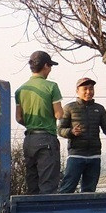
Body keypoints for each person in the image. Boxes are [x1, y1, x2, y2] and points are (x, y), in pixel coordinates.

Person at [58, 77, 106, 193]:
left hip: (94, 156)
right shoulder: (69, 108)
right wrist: (71, 132)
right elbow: (60, 130)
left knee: (89, 191)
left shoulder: (99, 108)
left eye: (91, 89)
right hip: (76, 155)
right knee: (67, 189)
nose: (89, 92)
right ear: (77, 91)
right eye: (85, 89)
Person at [15, 51, 64, 195]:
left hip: (29, 140)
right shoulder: (51, 86)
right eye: (50, 66)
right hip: (46, 139)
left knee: (32, 184)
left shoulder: (20, 90)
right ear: (46, 66)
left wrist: (33, 123)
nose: (50, 70)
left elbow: (19, 118)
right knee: (48, 186)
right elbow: (59, 114)